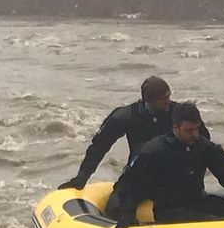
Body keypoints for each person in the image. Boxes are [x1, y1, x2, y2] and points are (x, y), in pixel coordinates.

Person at [106, 101, 224, 228]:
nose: (195, 134)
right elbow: (130, 185)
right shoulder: (153, 151)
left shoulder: (204, 147)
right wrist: (127, 214)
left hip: (197, 201)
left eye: (196, 129)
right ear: (176, 128)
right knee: (210, 221)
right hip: (170, 209)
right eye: (189, 130)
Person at [58, 75, 209, 190]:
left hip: (175, 176)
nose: (169, 101)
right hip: (140, 175)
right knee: (115, 208)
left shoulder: (181, 113)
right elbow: (99, 147)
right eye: (164, 98)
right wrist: (82, 178)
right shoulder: (125, 117)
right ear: (149, 100)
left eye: (169, 96)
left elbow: (205, 143)